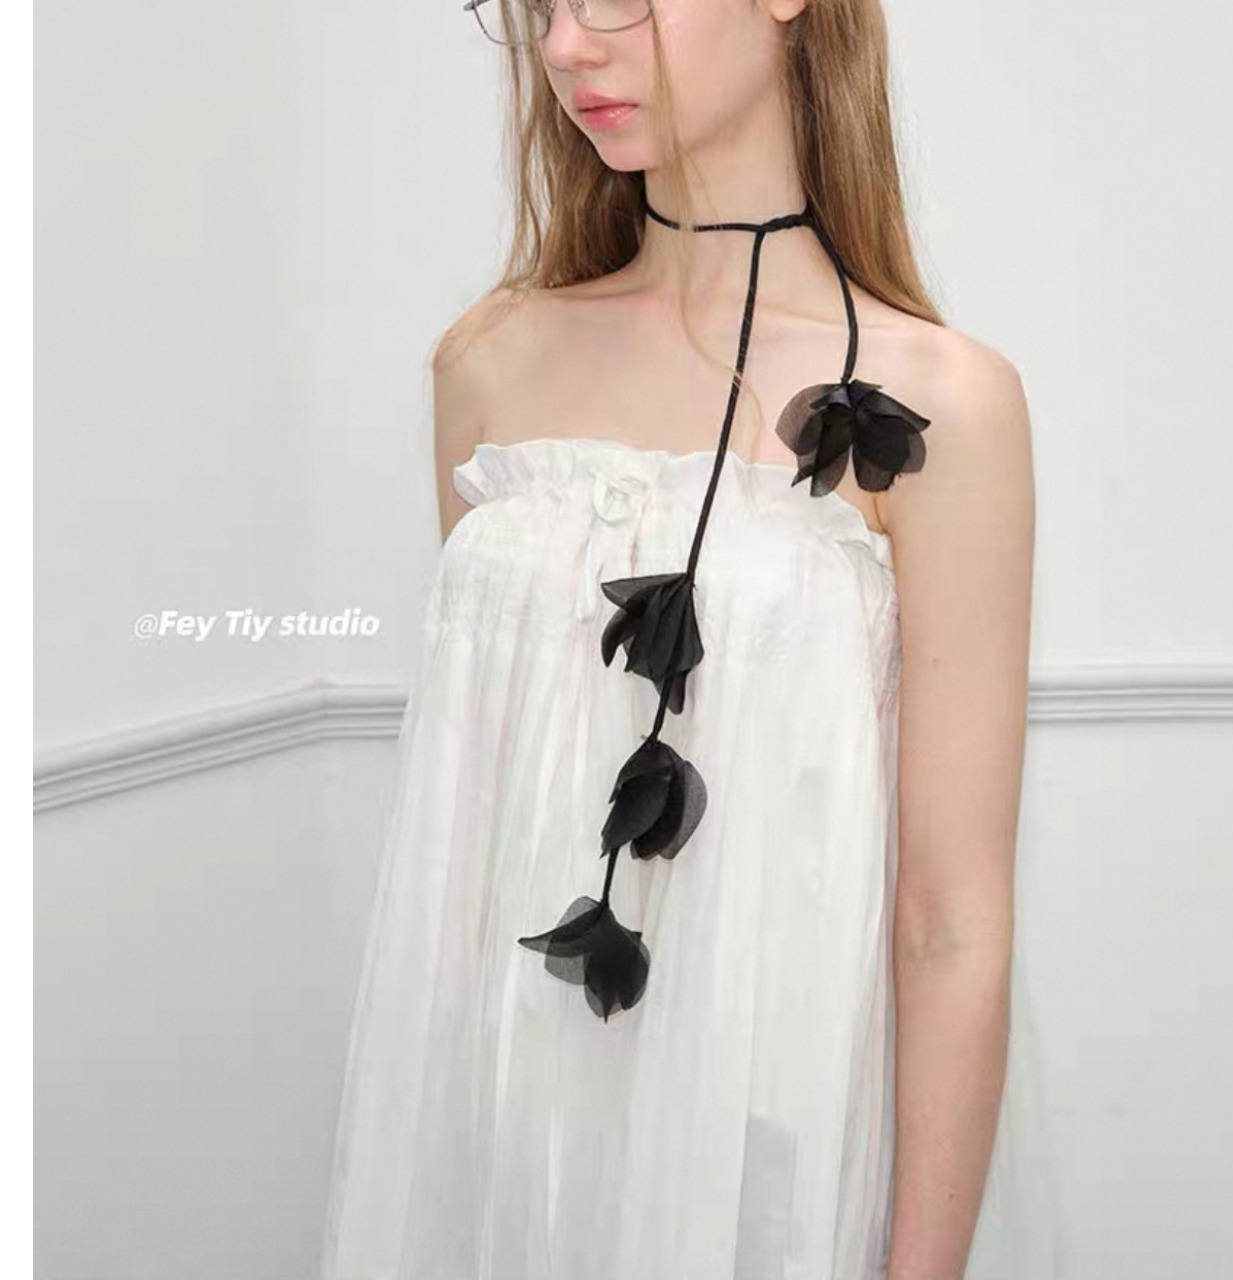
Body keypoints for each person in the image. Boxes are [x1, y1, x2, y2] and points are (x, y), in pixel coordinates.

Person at [322, 0, 1064, 1277]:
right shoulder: (487, 361)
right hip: (503, 1136)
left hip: (760, 1149)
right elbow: (483, 814)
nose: (565, 47)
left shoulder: (944, 404)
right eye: (538, 7)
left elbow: (946, 918)